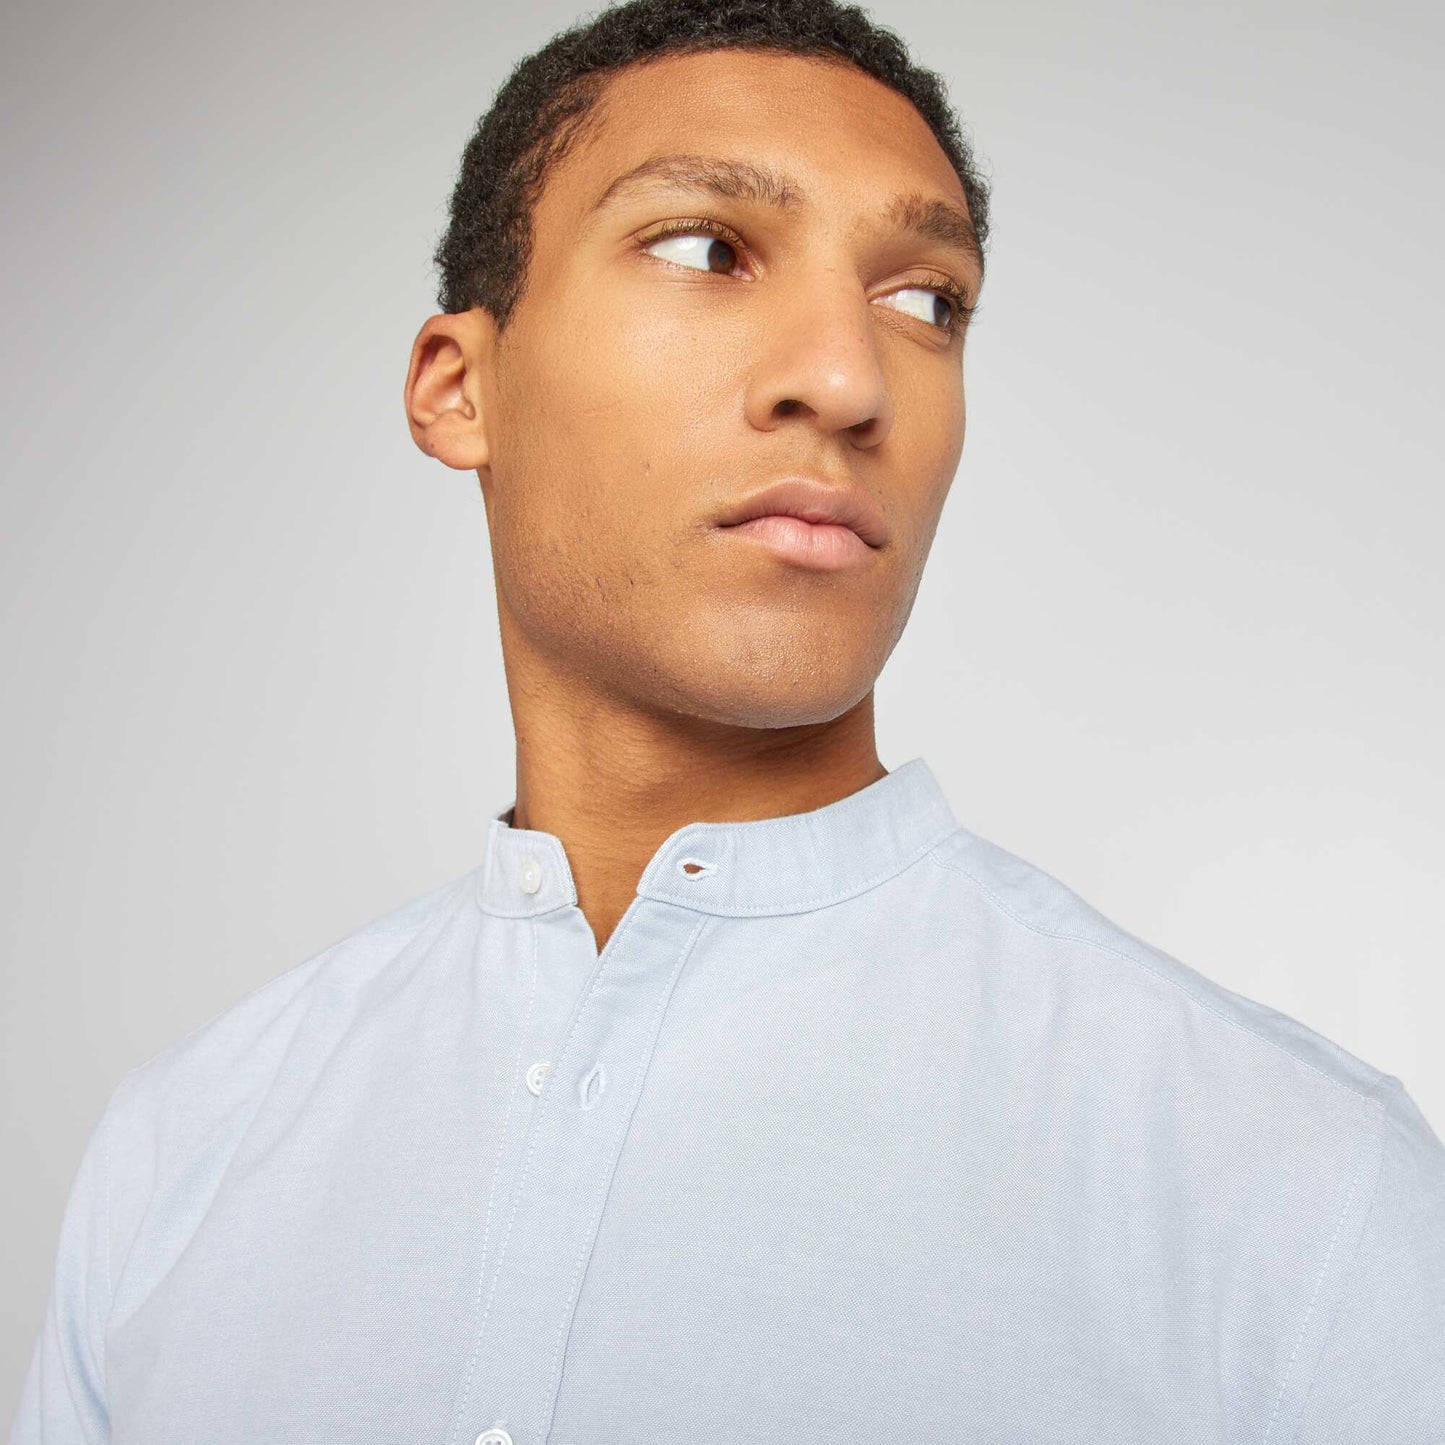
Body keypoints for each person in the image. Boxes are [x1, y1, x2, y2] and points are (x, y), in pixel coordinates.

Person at [13, 0, 1444, 1439]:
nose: (848, 380)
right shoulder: (178, 1157)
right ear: (461, 389)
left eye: (925, 302)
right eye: (706, 249)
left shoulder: (1300, 1192)